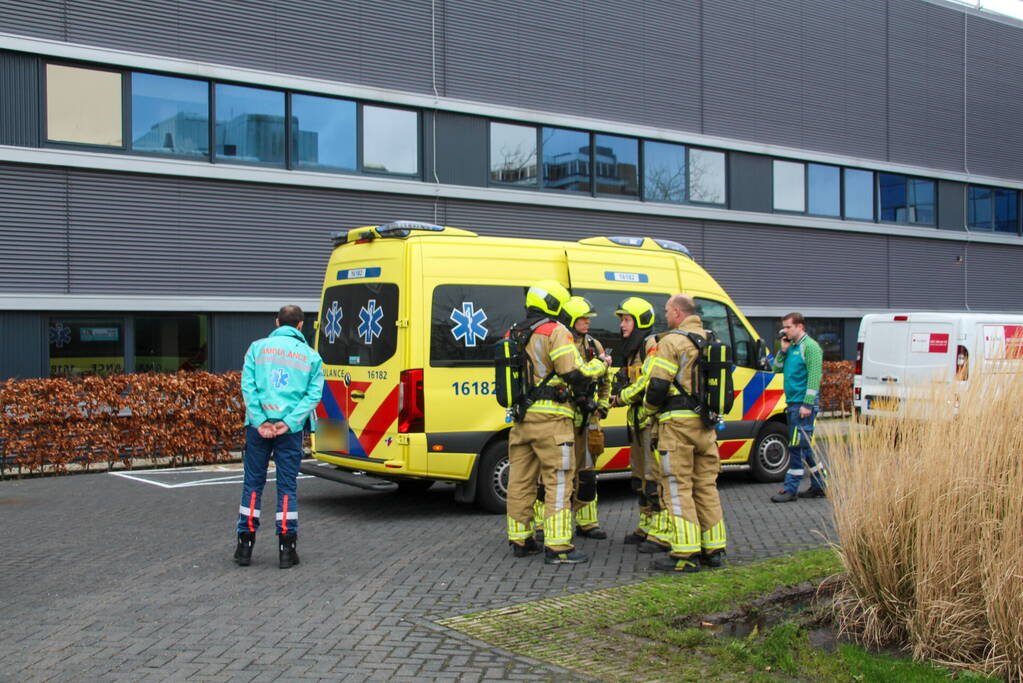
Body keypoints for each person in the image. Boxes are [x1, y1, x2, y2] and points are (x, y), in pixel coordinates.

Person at [505, 281, 610, 564]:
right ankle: (559, 546)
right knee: (560, 480)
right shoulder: (555, 330)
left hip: (522, 419)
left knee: (520, 481)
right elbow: (573, 372)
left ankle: (521, 540)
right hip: (553, 420)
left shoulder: (515, 332)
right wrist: (601, 365)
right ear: (553, 304)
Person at [233, 305, 324, 569]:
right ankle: (287, 549)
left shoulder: (256, 348)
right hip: (290, 431)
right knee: (286, 487)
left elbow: (248, 387)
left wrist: (261, 421)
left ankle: (244, 547)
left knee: (252, 484)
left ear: (277, 322)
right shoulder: (311, 356)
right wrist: (289, 422)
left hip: (258, 427)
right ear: (300, 326)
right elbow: (312, 395)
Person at [643, 294, 727, 572]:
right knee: (705, 487)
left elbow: (656, 387)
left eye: (667, 310)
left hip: (677, 427)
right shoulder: (711, 339)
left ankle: (685, 554)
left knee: (678, 488)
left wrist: (648, 409)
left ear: (678, 312)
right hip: (706, 426)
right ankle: (714, 549)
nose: (665, 315)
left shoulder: (672, 342)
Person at [609, 297, 671, 553]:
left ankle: (661, 531)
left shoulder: (651, 345)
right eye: (622, 320)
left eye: (626, 319)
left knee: (654, 478)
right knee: (639, 478)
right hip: (636, 423)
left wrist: (622, 396)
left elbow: (648, 379)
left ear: (640, 321)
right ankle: (645, 525)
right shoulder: (632, 349)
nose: (622, 325)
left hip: (649, 424)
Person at [560, 296, 611, 540]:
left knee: (588, 473)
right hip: (565, 420)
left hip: (589, 419)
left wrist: (601, 405)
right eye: (583, 319)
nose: (587, 323)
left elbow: (605, 380)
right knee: (559, 471)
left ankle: (587, 522)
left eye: (588, 319)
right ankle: (543, 525)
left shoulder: (595, 346)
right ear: (571, 319)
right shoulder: (562, 343)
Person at [770, 312, 827, 503]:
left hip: (802, 406)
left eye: (788, 327)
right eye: (784, 327)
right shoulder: (792, 347)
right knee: (804, 446)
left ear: (800, 327)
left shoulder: (810, 347)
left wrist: (807, 405)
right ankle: (820, 485)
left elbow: (813, 377)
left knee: (795, 446)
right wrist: (783, 350)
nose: (784, 330)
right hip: (793, 403)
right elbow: (775, 368)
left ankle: (790, 488)